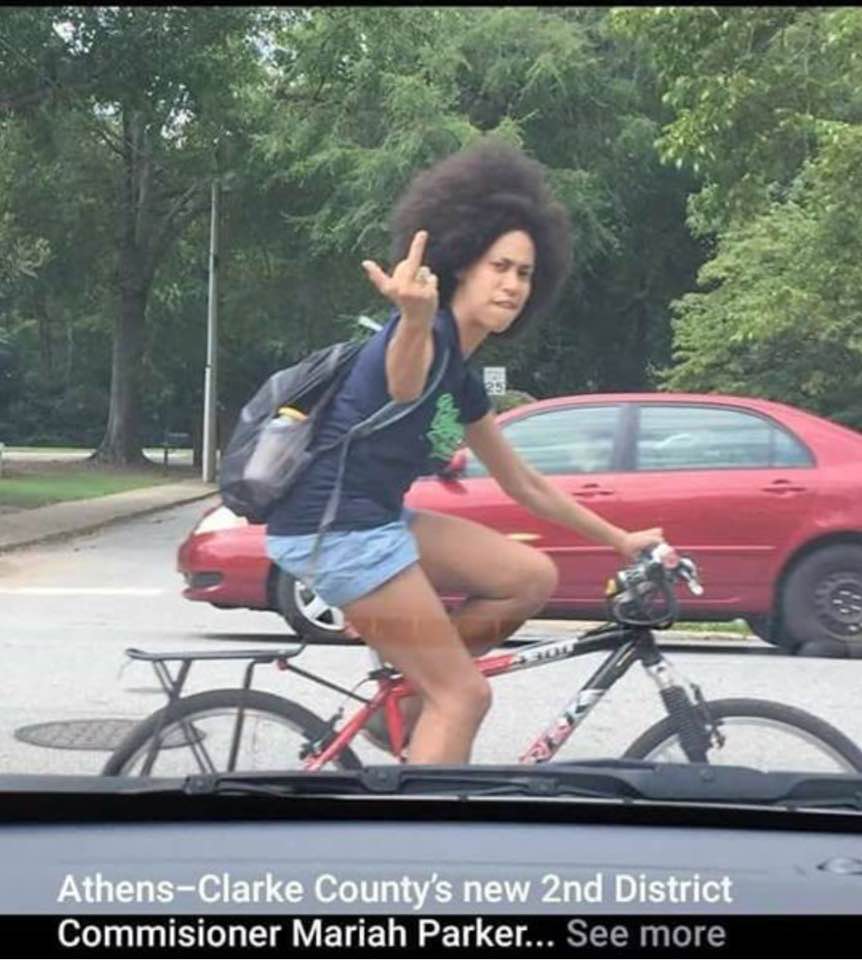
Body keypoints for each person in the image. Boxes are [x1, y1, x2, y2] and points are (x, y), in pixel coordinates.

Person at [266, 138, 666, 765]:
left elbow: (523, 484)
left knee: (530, 576)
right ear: (462, 265)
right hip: (333, 531)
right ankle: (424, 850)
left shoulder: (462, 372)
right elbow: (403, 382)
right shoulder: (422, 338)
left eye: (525, 274)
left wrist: (619, 539)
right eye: (499, 266)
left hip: (374, 521)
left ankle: (406, 700)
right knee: (465, 697)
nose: (512, 285)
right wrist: (416, 318)